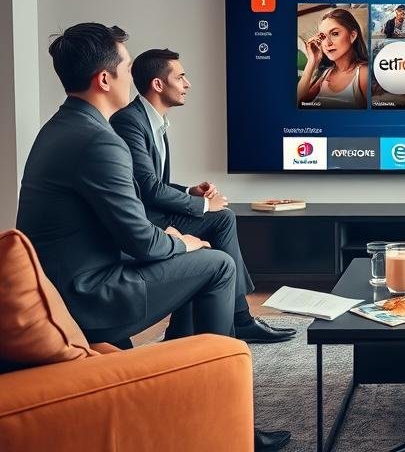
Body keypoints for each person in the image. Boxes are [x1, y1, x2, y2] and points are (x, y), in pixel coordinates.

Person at [16, 23, 290, 451]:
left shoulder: (60, 128)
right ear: (104, 79)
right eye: (127, 68)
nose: (132, 78)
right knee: (216, 265)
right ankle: (227, 422)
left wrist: (172, 237)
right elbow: (141, 242)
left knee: (197, 259)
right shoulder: (98, 141)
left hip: (64, 286)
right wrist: (183, 243)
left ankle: (180, 359)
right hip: (89, 296)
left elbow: (123, 221)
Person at [111, 48, 295, 344]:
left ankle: (228, 320)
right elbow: (147, 188)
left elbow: (155, 182)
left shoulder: (154, 121)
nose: (188, 84)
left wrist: (189, 191)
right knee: (220, 217)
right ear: (158, 84)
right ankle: (240, 319)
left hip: (155, 213)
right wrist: (205, 203)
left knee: (222, 218)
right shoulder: (129, 122)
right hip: (144, 223)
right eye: (180, 77)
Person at [297, 7, 369, 108]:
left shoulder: (363, 73)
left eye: (335, 34)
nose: (327, 43)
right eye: (322, 37)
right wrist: (312, 61)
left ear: (352, 35)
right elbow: (298, 104)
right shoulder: (326, 74)